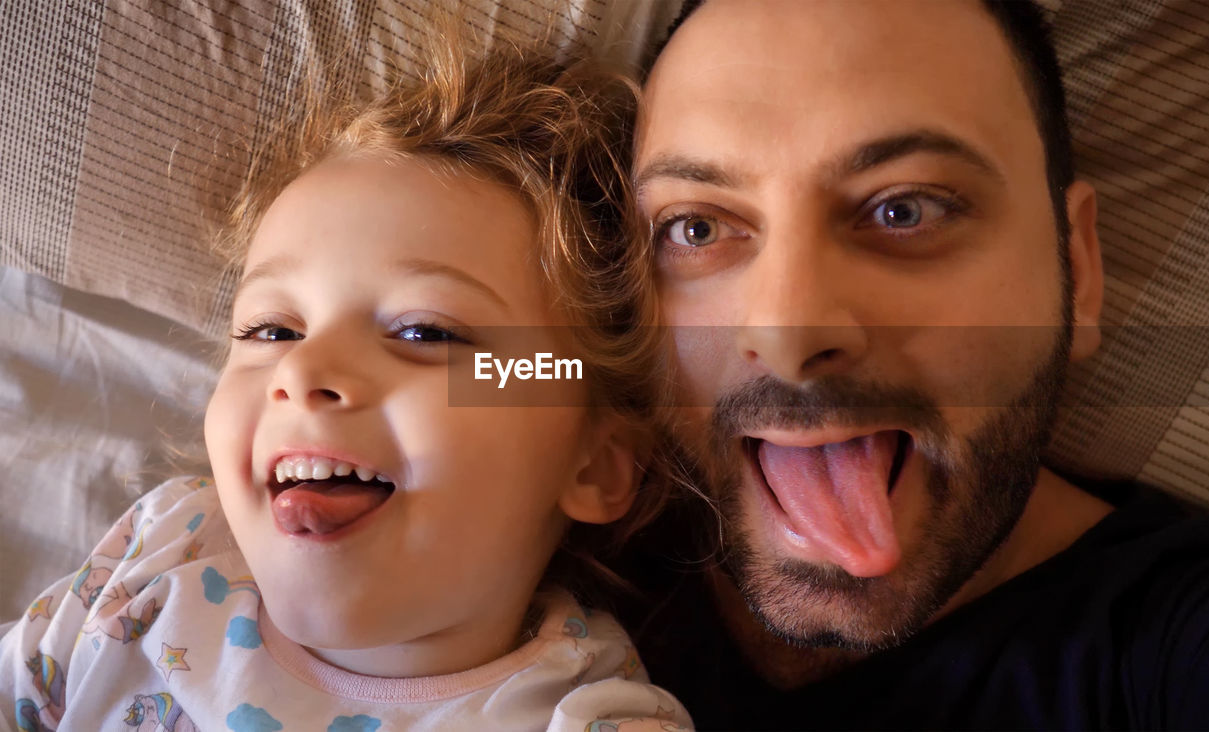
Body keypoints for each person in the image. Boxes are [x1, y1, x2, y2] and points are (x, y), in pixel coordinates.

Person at [0, 27, 692, 732]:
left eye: (425, 333)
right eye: (272, 331)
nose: (302, 371)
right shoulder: (161, 555)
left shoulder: (587, 720)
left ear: (596, 464)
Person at [620, 0, 1209, 729]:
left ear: (1078, 270)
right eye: (696, 227)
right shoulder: (552, 527)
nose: (789, 334)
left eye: (906, 209)